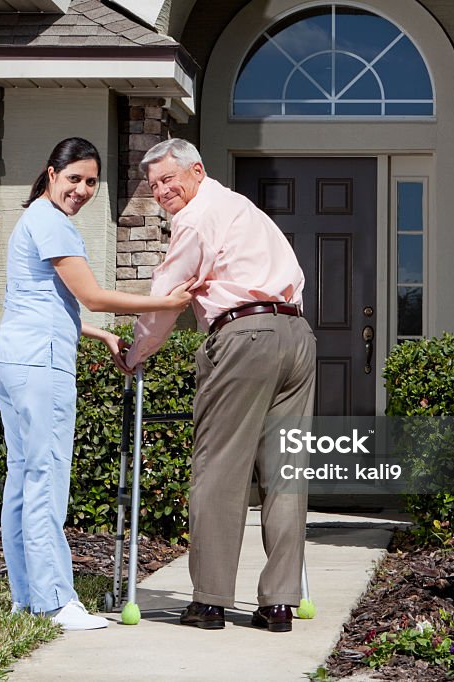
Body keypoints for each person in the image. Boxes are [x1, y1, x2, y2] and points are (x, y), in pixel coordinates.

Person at [0, 137, 193, 631]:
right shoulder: (51, 223)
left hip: (14, 359)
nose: (81, 190)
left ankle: (26, 595)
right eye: (74, 178)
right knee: (46, 478)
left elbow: (44, 302)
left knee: (23, 478)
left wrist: (98, 333)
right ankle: (57, 602)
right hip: (41, 366)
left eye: (91, 182)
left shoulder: (31, 220)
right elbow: (93, 295)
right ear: (51, 173)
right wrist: (165, 304)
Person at [125, 138, 316, 633]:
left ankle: (209, 603)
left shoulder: (195, 219)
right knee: (286, 474)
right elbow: (293, 274)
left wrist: (136, 353)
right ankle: (279, 605)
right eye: (154, 185)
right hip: (296, 335)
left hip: (244, 335)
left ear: (197, 170)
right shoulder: (242, 207)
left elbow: (166, 295)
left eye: (169, 179)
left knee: (219, 469)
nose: (162, 191)